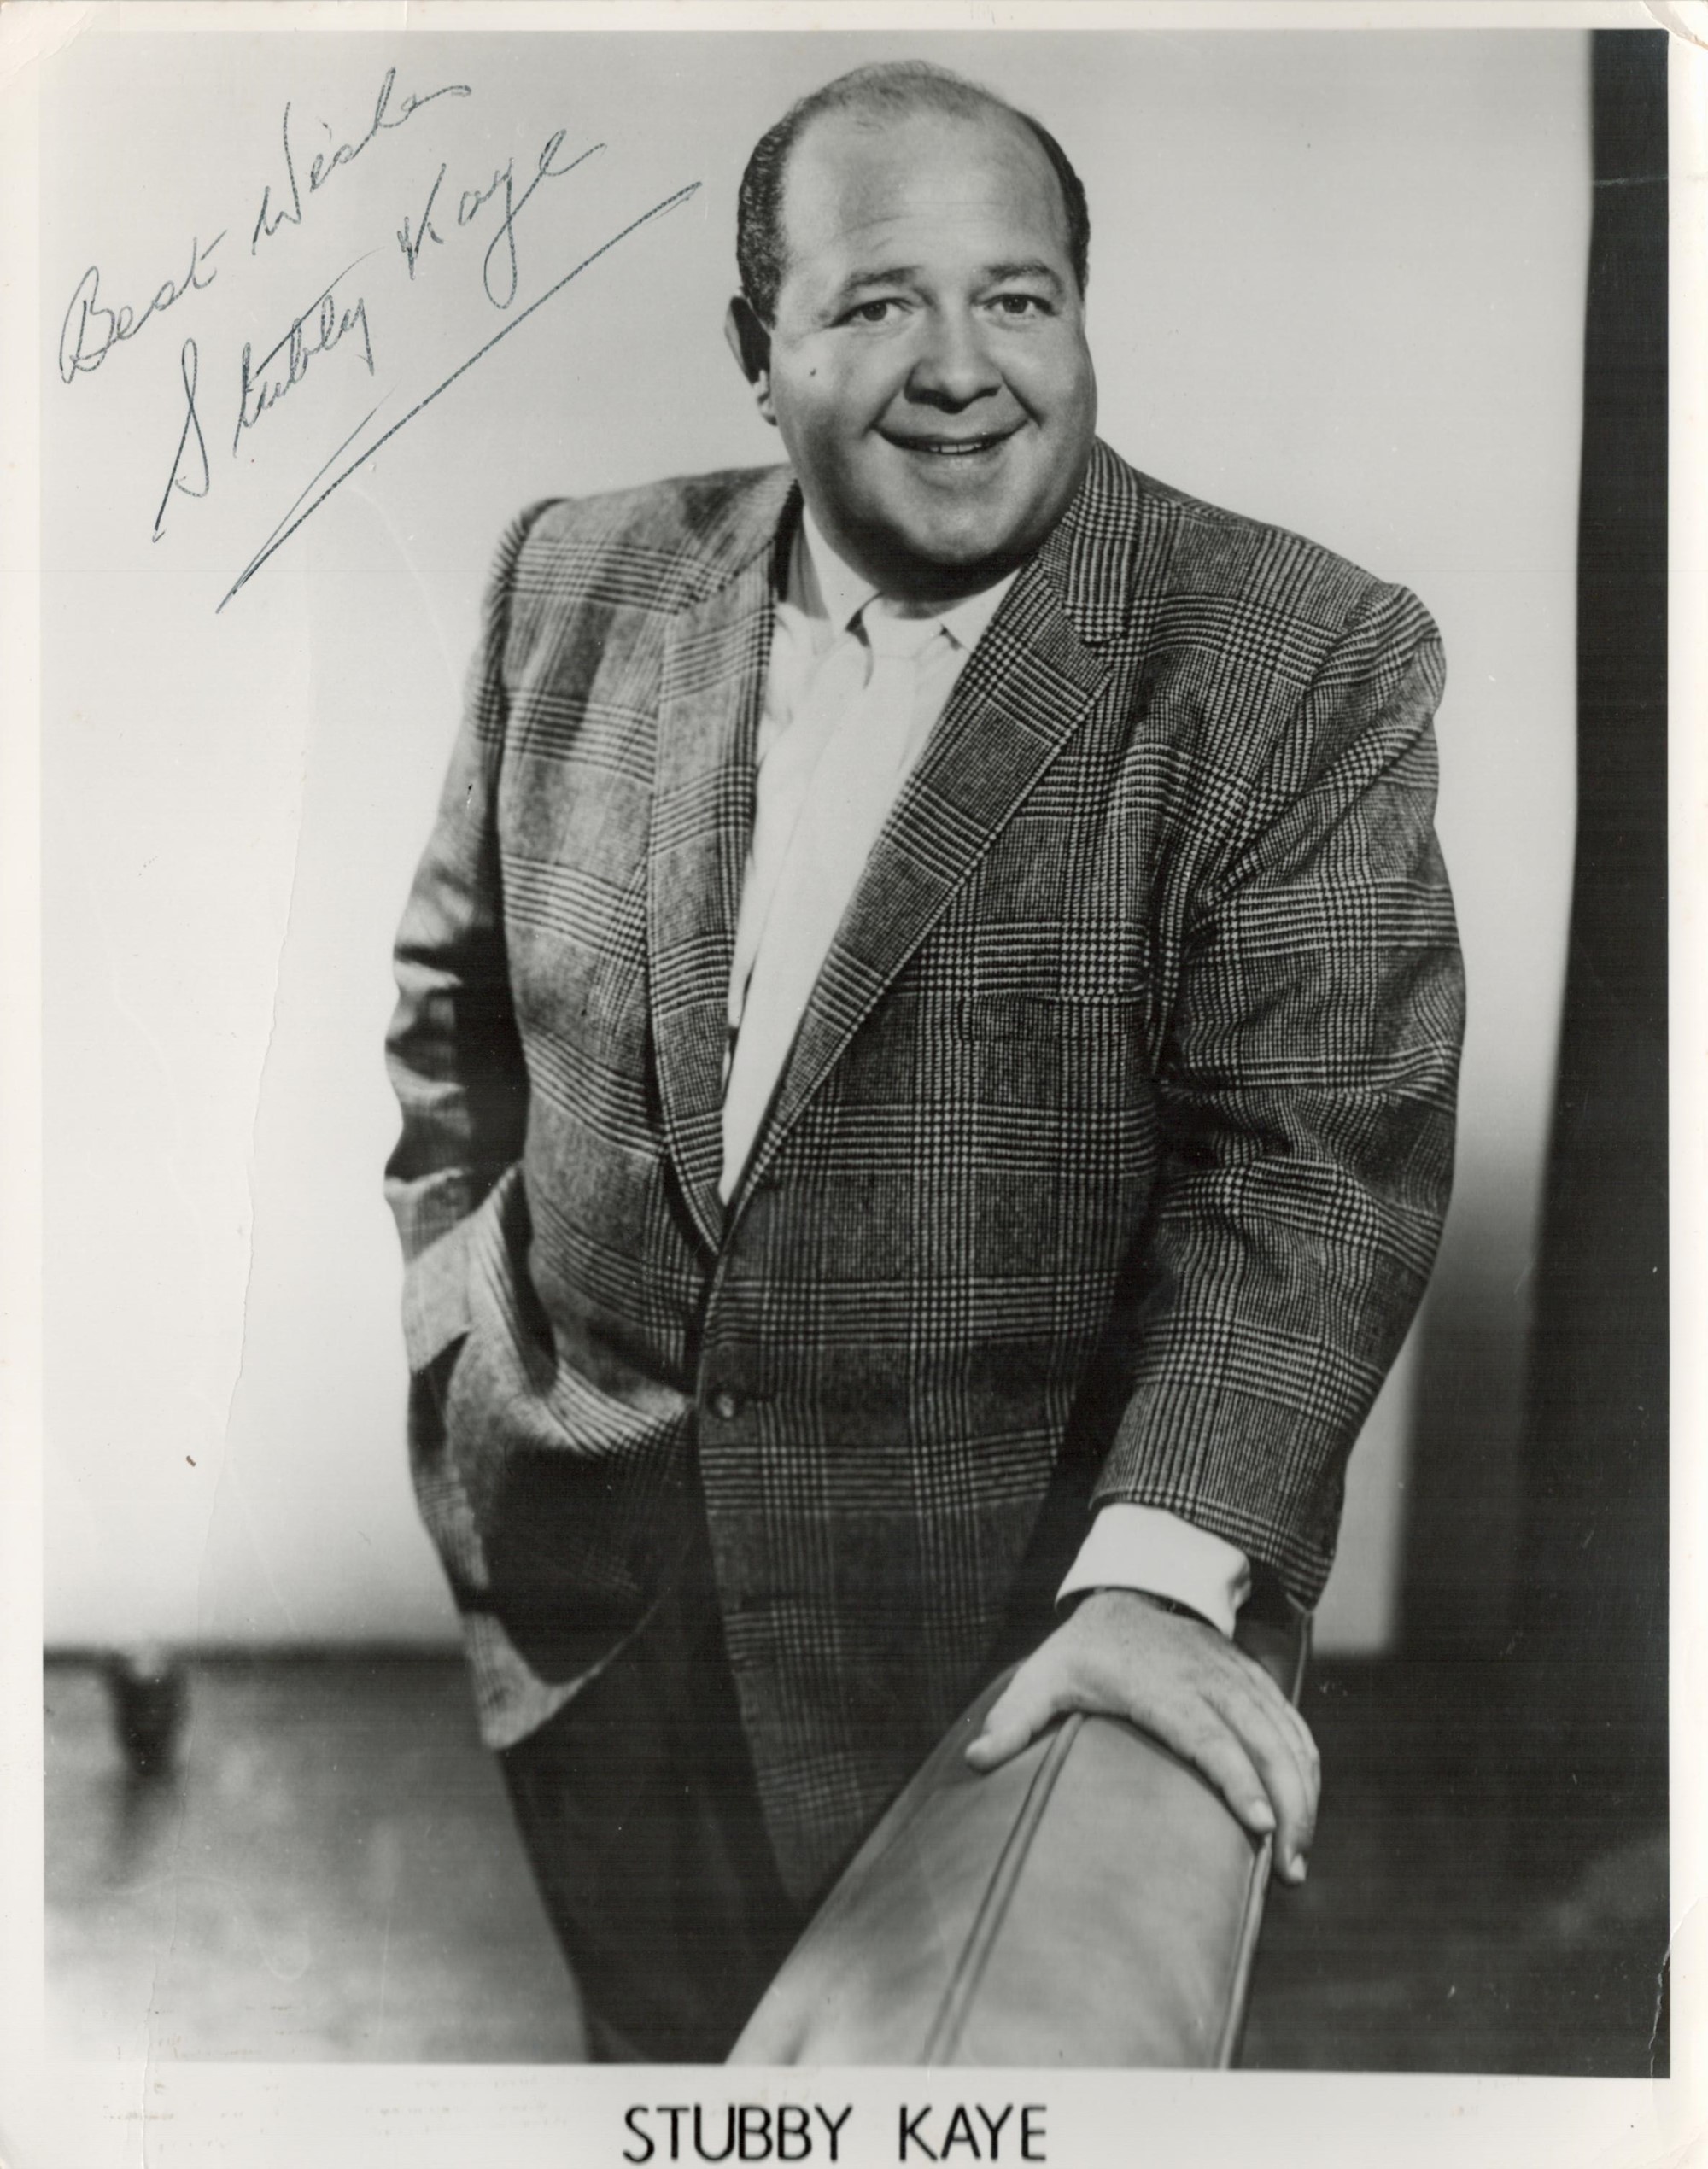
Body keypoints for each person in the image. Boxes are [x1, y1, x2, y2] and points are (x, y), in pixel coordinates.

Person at [384, 60, 1464, 2062]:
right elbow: (456, 1018)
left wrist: (1149, 1584)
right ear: (754, 347)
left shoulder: (1297, 658)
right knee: (663, 2080)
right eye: (879, 301)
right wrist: (466, 1341)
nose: (964, 367)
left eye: (1020, 296)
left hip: (1012, 1643)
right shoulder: (569, 579)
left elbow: (1317, 1170)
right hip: (593, 1609)